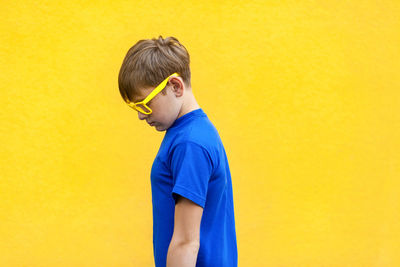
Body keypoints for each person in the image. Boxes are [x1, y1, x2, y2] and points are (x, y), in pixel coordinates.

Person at [118, 35, 238, 267]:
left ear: (175, 86)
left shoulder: (190, 143)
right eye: (135, 108)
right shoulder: (190, 133)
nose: (141, 115)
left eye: (144, 104)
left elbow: (186, 242)